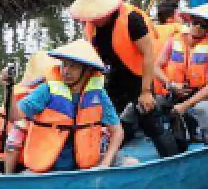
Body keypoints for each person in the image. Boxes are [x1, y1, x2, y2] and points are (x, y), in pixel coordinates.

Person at [120, 4, 208, 157]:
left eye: (204, 25)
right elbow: (155, 67)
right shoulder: (174, 41)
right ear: (190, 22)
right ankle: (120, 139)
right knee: (137, 106)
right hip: (172, 94)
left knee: (202, 109)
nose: (198, 27)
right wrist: (170, 84)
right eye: (196, 22)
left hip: (197, 98)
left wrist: (185, 105)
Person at [9, 40, 124, 172]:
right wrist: (9, 88)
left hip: (86, 166)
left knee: (131, 163)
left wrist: (105, 164)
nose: (65, 71)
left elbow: (117, 132)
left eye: (73, 66)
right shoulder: (46, 90)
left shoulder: (98, 95)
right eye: (64, 64)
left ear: (87, 71)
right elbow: (14, 116)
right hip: (47, 169)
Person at [68, 0, 156, 115]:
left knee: (148, 122)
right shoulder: (90, 23)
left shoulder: (132, 19)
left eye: (96, 15)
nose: (93, 19)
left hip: (138, 79)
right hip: (112, 78)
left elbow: (149, 53)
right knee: (114, 120)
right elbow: (90, 57)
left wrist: (146, 91)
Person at [0, 50, 56, 174]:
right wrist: (9, 177)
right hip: (3, 164)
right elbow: (12, 147)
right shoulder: (31, 101)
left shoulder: (21, 94)